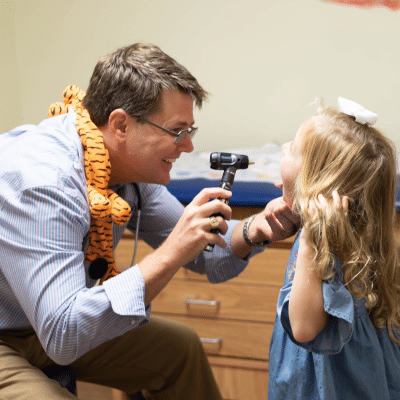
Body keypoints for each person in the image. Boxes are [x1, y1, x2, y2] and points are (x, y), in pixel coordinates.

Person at [0, 43, 298, 400]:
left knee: (180, 350)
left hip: (45, 324)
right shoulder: (44, 182)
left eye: (191, 130)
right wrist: (170, 253)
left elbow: (204, 255)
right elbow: (64, 335)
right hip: (16, 332)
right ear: (121, 124)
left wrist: (253, 231)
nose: (187, 147)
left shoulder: (127, 167)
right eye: (177, 131)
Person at [268, 97, 400, 399]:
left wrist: (308, 239)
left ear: (315, 183)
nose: (285, 148)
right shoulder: (361, 233)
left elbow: (302, 328)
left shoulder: (321, 243)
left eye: (293, 149)